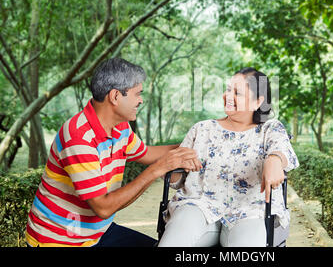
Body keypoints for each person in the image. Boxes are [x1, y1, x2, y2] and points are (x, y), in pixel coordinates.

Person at [25, 58, 201, 247]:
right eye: (137, 94)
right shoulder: (79, 137)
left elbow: (147, 153)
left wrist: (198, 141)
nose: (140, 100)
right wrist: (158, 169)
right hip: (59, 241)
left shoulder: (120, 127)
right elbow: (103, 207)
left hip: (98, 233)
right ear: (116, 96)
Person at [158, 67, 299, 247]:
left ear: (257, 102)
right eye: (227, 89)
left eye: (237, 93)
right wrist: (168, 166)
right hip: (199, 206)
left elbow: (281, 150)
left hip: (250, 210)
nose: (228, 96)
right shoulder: (202, 129)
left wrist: (274, 160)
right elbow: (178, 178)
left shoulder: (269, 129)